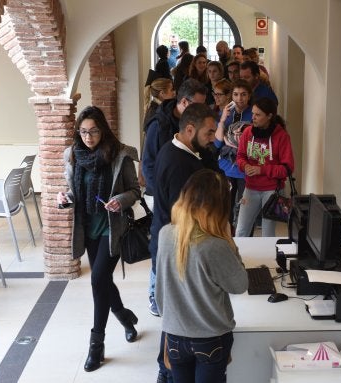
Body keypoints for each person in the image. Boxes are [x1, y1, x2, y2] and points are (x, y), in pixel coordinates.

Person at [56, 106, 141, 372]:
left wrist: (120, 200)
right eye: (83, 132)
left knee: (96, 279)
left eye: (93, 131)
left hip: (112, 228)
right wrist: (65, 199)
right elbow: (72, 192)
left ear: (102, 129)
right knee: (103, 279)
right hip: (87, 228)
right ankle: (125, 318)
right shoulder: (72, 155)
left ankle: (97, 344)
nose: (88, 137)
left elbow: (135, 191)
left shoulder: (120, 154)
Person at [155, 169, 248, 383]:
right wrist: (230, 243)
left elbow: (161, 290)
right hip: (211, 339)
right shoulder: (214, 245)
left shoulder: (165, 234)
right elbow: (240, 284)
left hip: (175, 336)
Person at [150, 103, 221, 383]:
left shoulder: (182, 150)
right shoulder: (181, 165)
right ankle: (166, 370)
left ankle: (167, 368)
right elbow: (190, 218)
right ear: (189, 129)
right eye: (209, 132)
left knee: (175, 314)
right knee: (175, 316)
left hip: (171, 243)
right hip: (175, 247)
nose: (212, 138)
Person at [141, 78, 208, 318]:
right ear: (183, 102)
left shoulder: (191, 126)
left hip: (178, 193)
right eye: (197, 105)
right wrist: (159, 191)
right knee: (161, 244)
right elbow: (148, 163)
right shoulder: (158, 125)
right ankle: (154, 293)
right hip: (162, 195)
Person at [235, 97, 294, 237]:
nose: (253, 118)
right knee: (241, 230)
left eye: (257, 115)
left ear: (269, 116)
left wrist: (262, 169)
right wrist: (245, 165)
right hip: (250, 188)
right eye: (253, 113)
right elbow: (240, 157)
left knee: (267, 233)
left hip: (272, 191)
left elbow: (288, 168)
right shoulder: (248, 133)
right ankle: (238, 258)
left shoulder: (282, 136)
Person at [215, 79, 253, 231]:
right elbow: (217, 144)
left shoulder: (254, 113)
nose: (239, 99)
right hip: (226, 168)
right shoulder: (225, 113)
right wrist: (223, 119)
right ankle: (226, 242)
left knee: (246, 212)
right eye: (236, 94)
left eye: (243, 94)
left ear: (249, 96)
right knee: (225, 211)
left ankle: (245, 245)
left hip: (246, 170)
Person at [139, 77, 175, 187]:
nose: (174, 93)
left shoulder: (156, 109)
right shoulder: (156, 113)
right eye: (171, 90)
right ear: (162, 93)